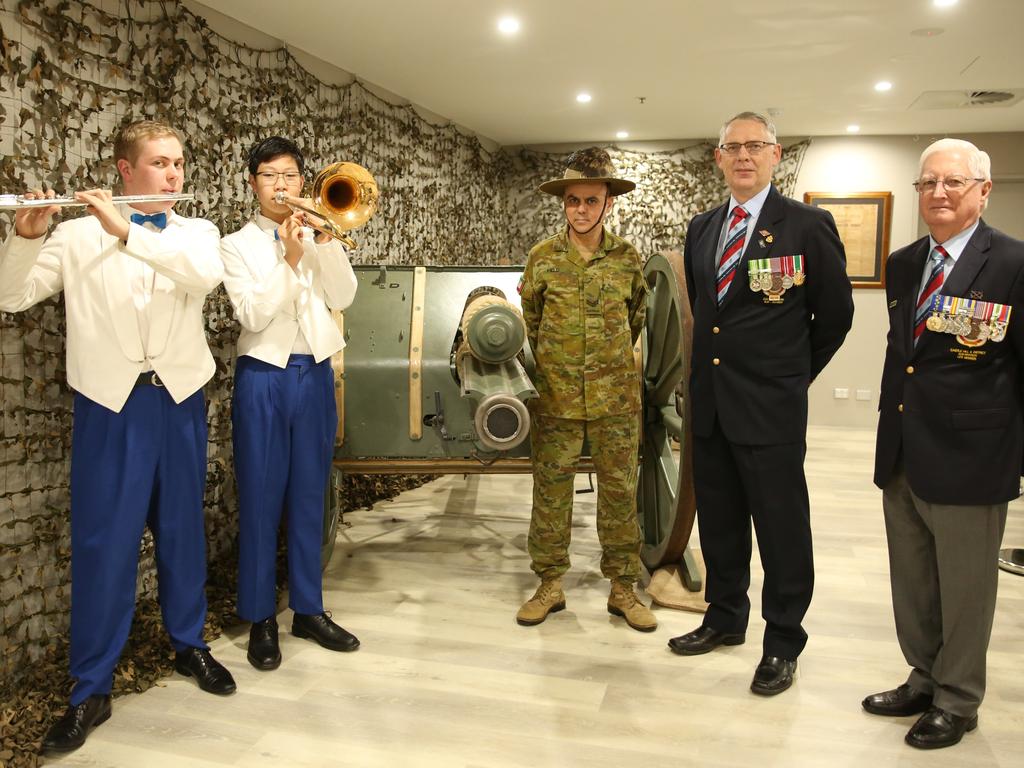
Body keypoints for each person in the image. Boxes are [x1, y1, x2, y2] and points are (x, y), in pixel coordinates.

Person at [0, 120, 234, 753]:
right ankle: (91, 687)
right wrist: (25, 238)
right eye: (160, 163)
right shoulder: (75, 234)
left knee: (183, 530)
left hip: (179, 400)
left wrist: (126, 231)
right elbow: (12, 295)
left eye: (179, 162)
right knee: (105, 544)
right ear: (125, 171)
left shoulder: (199, 234)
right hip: (110, 406)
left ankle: (190, 644)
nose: (174, 173)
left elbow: (201, 279)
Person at [668, 112, 854, 695]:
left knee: (781, 528)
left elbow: (836, 315)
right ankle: (724, 618)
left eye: (756, 146)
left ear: (775, 156)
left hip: (771, 407)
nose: (744, 156)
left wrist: (790, 377)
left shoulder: (806, 225)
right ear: (718, 159)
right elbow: (707, 310)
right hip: (713, 405)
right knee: (720, 522)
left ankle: (783, 642)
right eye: (732, 147)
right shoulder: (702, 228)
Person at [864, 138, 1020, 749]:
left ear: (984, 190)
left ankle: (959, 699)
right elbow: (902, 359)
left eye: (953, 182)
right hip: (904, 450)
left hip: (972, 458)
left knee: (966, 588)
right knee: (914, 581)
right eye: (927, 183)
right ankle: (924, 677)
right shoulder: (904, 263)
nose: (939, 193)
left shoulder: (1012, 262)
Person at [220, 137, 359, 671]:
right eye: (270, 175)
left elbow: (343, 296)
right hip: (264, 377)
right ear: (253, 183)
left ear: (304, 181)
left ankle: (308, 608)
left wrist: (323, 244)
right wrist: (289, 258)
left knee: (310, 494)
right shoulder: (236, 245)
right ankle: (259, 617)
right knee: (260, 498)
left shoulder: (320, 232)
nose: (283, 185)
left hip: (316, 372)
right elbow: (252, 315)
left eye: (292, 175)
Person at [516, 147, 656, 632]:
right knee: (551, 493)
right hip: (555, 398)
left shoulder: (626, 259)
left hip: (614, 399)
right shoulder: (542, 258)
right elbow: (530, 322)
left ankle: (622, 588)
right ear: (564, 204)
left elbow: (635, 317)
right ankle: (550, 584)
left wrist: (603, 362)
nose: (581, 209)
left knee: (619, 493)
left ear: (608, 203)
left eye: (591, 201)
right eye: (573, 200)